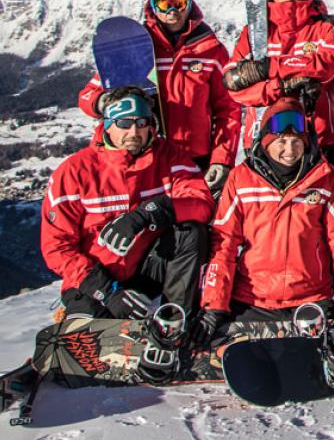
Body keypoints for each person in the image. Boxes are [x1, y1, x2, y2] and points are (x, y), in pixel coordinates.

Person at [195, 100, 334, 342]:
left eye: (297, 142)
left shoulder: (327, 179)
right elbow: (224, 244)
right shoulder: (241, 179)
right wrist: (214, 305)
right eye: (281, 141)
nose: (290, 150)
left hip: (311, 300)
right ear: (265, 141)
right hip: (253, 300)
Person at [41, 87, 213, 323]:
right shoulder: (74, 172)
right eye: (124, 123)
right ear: (107, 125)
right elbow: (57, 248)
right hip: (95, 279)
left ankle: (174, 321)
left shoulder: (168, 157)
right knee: (94, 339)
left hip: (146, 269)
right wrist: (107, 291)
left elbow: (202, 203)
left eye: (142, 123)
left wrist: (150, 211)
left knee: (192, 233)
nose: (134, 131)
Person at [78, 0, 240, 195]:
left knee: (192, 221)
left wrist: (221, 160)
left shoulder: (211, 50)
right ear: (153, 6)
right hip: (144, 156)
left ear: (190, 3)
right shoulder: (136, 47)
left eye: (179, 2)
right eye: (164, 3)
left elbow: (228, 110)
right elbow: (87, 95)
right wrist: (103, 101)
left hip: (194, 158)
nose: (172, 10)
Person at [223, 0, 334, 166]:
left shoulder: (329, 27)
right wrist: (280, 87)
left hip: (317, 138)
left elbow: (325, 67)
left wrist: (268, 67)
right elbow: (233, 85)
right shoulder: (252, 33)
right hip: (262, 139)